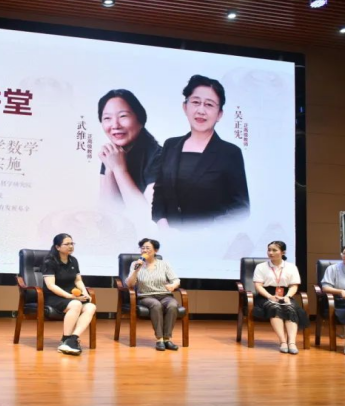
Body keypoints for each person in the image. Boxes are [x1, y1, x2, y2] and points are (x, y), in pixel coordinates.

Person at [152, 74, 249, 227]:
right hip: (169, 236)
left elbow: (241, 208)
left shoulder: (230, 153)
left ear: (220, 114)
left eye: (209, 104)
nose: (201, 110)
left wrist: (204, 232)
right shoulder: (170, 145)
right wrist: (163, 224)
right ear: (185, 107)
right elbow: (159, 193)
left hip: (209, 239)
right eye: (196, 102)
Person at [97, 89, 162, 214]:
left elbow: (147, 216)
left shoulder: (160, 158)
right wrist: (110, 169)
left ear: (140, 120)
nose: (115, 125)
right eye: (107, 118)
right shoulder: (112, 154)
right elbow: (107, 211)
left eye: (123, 116)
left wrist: (119, 169)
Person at [42, 233, 97, 355]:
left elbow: (78, 280)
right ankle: (65, 339)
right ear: (57, 247)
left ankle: (72, 339)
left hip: (72, 296)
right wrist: (69, 296)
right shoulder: (49, 262)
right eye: (67, 244)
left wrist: (85, 293)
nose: (71, 246)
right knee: (76, 304)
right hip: (53, 297)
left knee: (91, 307)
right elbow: (51, 285)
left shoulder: (73, 260)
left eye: (72, 243)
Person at [252, 241, 309, 354]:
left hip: (285, 294)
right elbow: (258, 285)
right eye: (269, 250)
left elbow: (294, 286)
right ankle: (283, 341)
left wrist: (288, 296)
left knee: (291, 309)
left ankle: (291, 343)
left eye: (274, 250)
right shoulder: (261, 267)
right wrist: (269, 296)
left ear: (283, 252)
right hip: (266, 295)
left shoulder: (291, 267)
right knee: (275, 308)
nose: (271, 253)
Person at [126, 238, 181, 351]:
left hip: (165, 295)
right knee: (156, 305)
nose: (144, 250)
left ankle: (167, 339)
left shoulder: (164, 264)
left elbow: (176, 279)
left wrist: (173, 285)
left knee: (172, 305)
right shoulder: (135, 264)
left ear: (156, 250)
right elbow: (129, 284)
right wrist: (136, 270)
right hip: (146, 296)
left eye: (148, 248)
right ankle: (159, 339)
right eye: (142, 248)